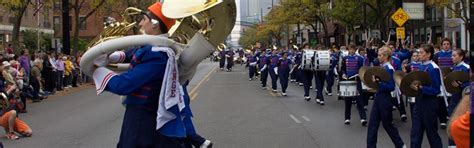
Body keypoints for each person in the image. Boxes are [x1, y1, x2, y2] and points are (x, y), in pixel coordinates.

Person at [92, 2, 189, 147]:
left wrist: (95, 70)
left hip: (143, 121)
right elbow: (133, 54)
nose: (140, 23)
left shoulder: (157, 54)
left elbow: (123, 85)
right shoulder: (154, 48)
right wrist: (109, 57)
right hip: (142, 116)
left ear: (155, 24)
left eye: (144, 19)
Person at [366, 46, 406, 148]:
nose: (378, 57)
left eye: (380, 55)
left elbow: (391, 86)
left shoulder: (389, 68)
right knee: (372, 125)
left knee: (388, 125)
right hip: (379, 97)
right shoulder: (382, 67)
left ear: (386, 56)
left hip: (385, 99)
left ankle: (400, 145)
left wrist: (378, 83)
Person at [410, 44, 443, 148]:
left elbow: (436, 89)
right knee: (415, 134)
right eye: (418, 52)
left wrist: (422, 88)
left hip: (429, 105)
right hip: (418, 103)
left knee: (432, 134)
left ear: (429, 54)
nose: (419, 55)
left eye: (421, 53)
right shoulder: (421, 66)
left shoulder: (433, 68)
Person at [446, 48, 469, 147]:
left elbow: (469, 84)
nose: (452, 58)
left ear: (461, 57)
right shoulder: (454, 67)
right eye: (452, 55)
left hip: (463, 100)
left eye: (454, 56)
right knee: (452, 121)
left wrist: (460, 85)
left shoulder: (466, 68)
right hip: (454, 98)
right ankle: (452, 144)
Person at [340, 44, 366, 125]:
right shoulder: (345, 58)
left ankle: (363, 118)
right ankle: (347, 118)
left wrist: (360, 74)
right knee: (348, 100)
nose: (351, 51)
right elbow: (343, 69)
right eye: (350, 49)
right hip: (348, 81)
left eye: (353, 49)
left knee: (359, 100)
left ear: (355, 50)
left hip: (357, 80)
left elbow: (363, 69)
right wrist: (343, 74)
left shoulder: (360, 58)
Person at [433, 38, 453, 129]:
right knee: (441, 99)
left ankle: (449, 115)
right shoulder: (437, 55)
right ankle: (442, 120)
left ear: (450, 45)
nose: (446, 46)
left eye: (448, 44)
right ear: (441, 45)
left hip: (451, 79)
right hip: (441, 79)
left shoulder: (453, 54)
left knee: (450, 98)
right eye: (444, 44)